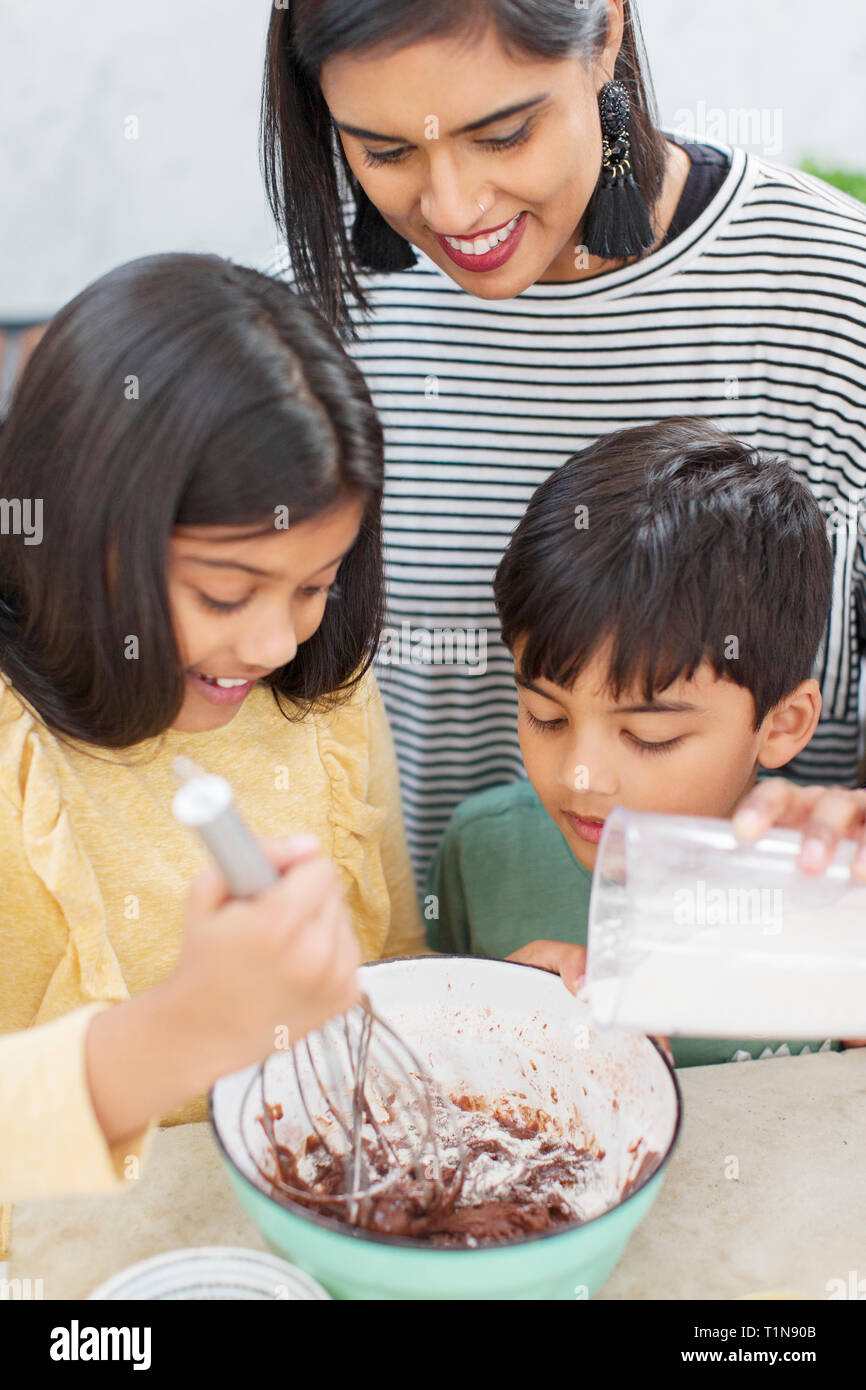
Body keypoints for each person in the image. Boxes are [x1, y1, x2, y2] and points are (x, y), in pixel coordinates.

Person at [261, 0, 866, 886]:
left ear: (606, 33)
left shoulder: (834, 305)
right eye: (385, 152)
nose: (455, 207)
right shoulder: (304, 328)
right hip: (402, 1000)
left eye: (503, 135)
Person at [0, 253, 425, 1226]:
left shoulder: (318, 698)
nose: (273, 643)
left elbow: (390, 964)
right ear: (78, 533)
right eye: (223, 594)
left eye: (314, 585)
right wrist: (182, 1031)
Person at [425, 417, 866, 1065]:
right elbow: (427, 1058)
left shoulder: (834, 880)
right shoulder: (479, 852)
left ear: (783, 723)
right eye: (546, 716)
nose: (582, 775)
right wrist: (481, 1016)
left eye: (650, 735)